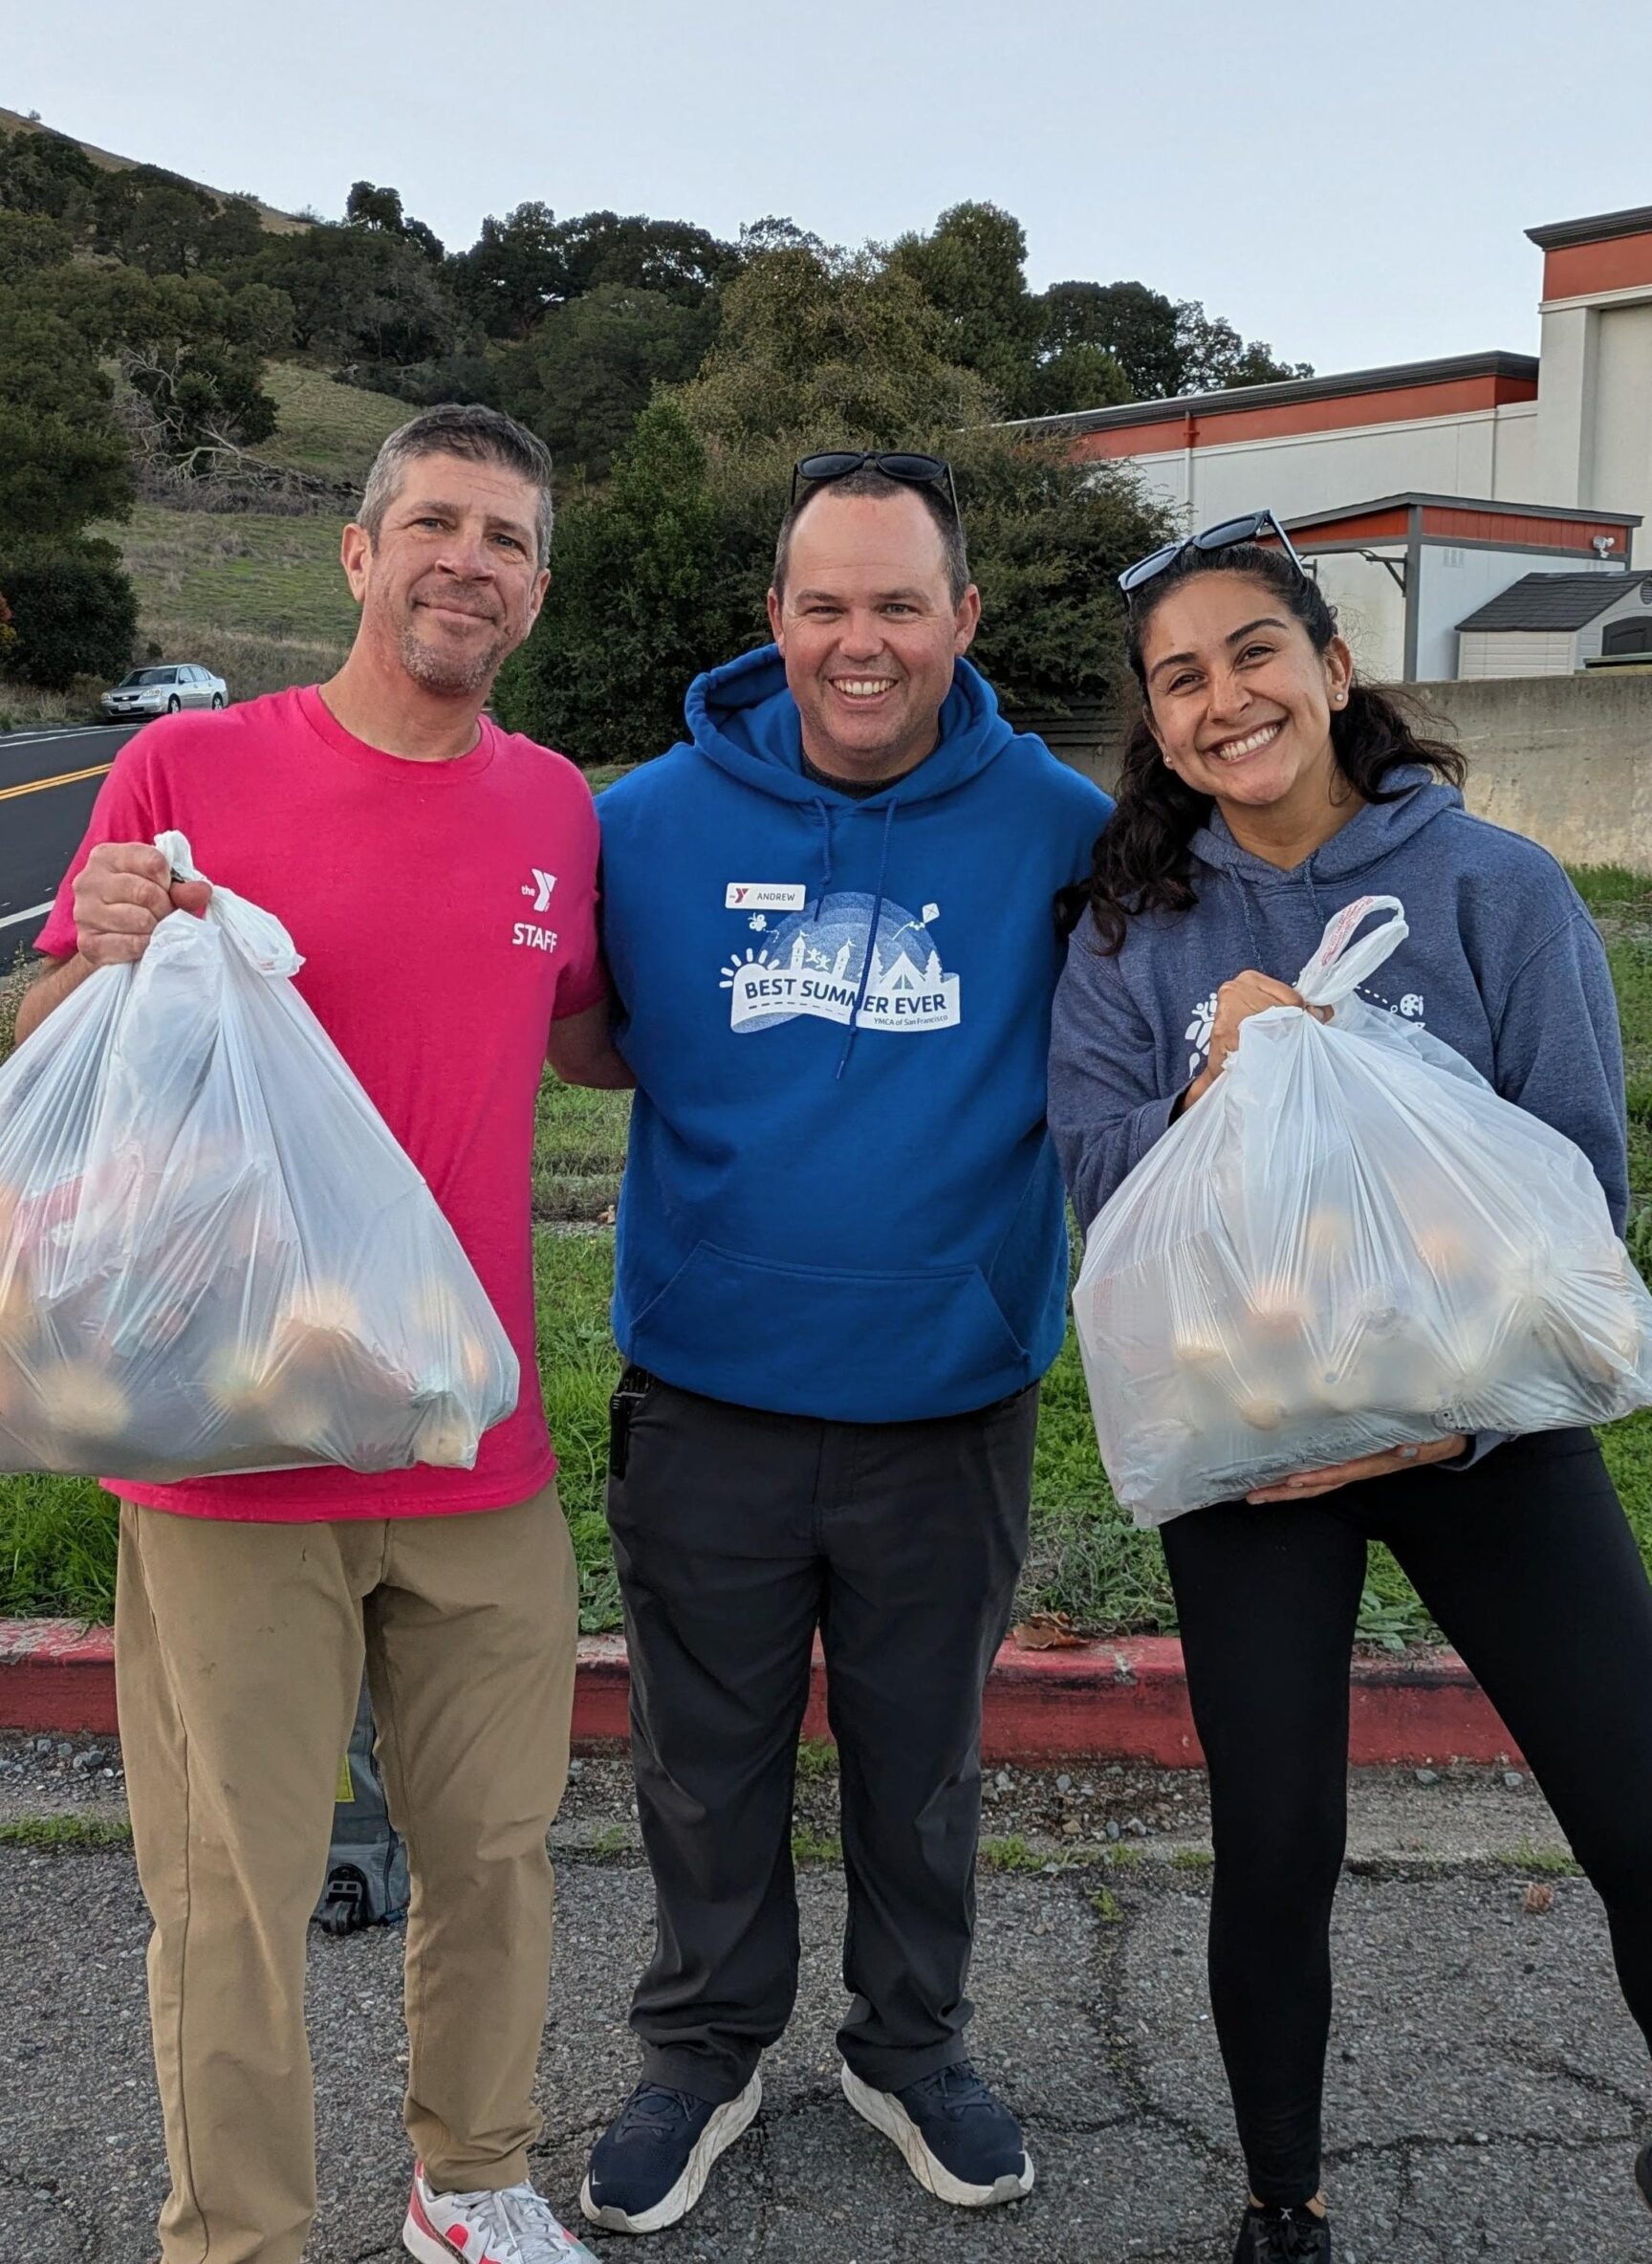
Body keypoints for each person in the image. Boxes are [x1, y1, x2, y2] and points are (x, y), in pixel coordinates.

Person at [17, 406, 624, 2264]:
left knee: (500, 1855)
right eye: (433, 521)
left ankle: (474, 2175)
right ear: (357, 554)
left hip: (468, 1444)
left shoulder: (556, 807)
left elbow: (600, 1034)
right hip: (224, 1447)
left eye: (507, 536)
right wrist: (84, 942)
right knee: (228, 1898)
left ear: (535, 585)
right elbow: (44, 1032)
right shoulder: (187, 765)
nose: (470, 558)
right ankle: (241, 2238)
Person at [1046, 513, 1652, 2264]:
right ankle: (1282, 2202)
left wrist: (1457, 1419)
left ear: (1331, 665)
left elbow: (1573, 1194)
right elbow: (1097, 1176)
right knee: (1279, 1837)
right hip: (1254, 1449)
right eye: (1180, 681)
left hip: (1485, 1429)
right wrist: (1211, 1091)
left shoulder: (1496, 890)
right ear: (1156, 729)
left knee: (1637, 1800)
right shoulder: (1128, 930)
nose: (1224, 700)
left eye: (1253, 654)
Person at [576, 451, 1111, 2233]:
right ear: (776, 619)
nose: (859, 643)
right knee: (699, 1759)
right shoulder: (644, 822)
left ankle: (911, 2041)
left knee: (922, 1757)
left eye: (899, 605)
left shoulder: (1058, 828)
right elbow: (574, 1028)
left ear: (965, 616)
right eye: (826, 606)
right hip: (707, 1393)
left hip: (946, 1400)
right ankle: (701, 2047)